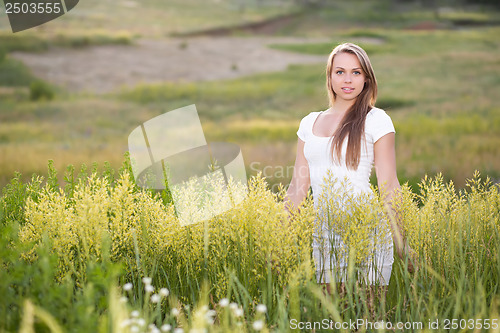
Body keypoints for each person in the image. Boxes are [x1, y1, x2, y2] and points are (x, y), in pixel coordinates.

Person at [285, 42, 413, 287]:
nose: (348, 79)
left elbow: (389, 185)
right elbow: (298, 186)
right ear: (330, 77)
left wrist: (402, 243)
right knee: (331, 316)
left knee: (369, 316)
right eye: (340, 71)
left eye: (356, 72)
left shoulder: (377, 119)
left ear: (366, 78)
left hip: (368, 229)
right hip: (324, 236)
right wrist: (279, 234)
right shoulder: (308, 123)